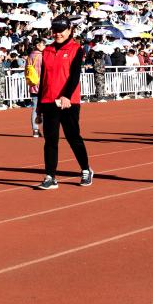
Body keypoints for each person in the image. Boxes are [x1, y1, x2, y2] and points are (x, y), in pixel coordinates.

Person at [36, 16, 93, 189]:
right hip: (48, 101)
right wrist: (38, 107)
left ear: (69, 30)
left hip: (69, 102)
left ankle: (85, 170)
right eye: (55, 30)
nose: (58, 33)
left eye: (61, 30)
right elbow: (43, 79)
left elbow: (75, 75)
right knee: (50, 140)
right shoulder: (46, 51)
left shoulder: (76, 49)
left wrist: (66, 96)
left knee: (73, 137)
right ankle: (50, 176)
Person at [25, 38, 45, 137]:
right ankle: (47, 129)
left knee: (35, 109)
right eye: (43, 44)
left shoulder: (29, 57)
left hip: (33, 85)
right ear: (38, 45)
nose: (44, 46)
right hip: (43, 86)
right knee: (46, 109)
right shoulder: (42, 56)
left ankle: (35, 130)